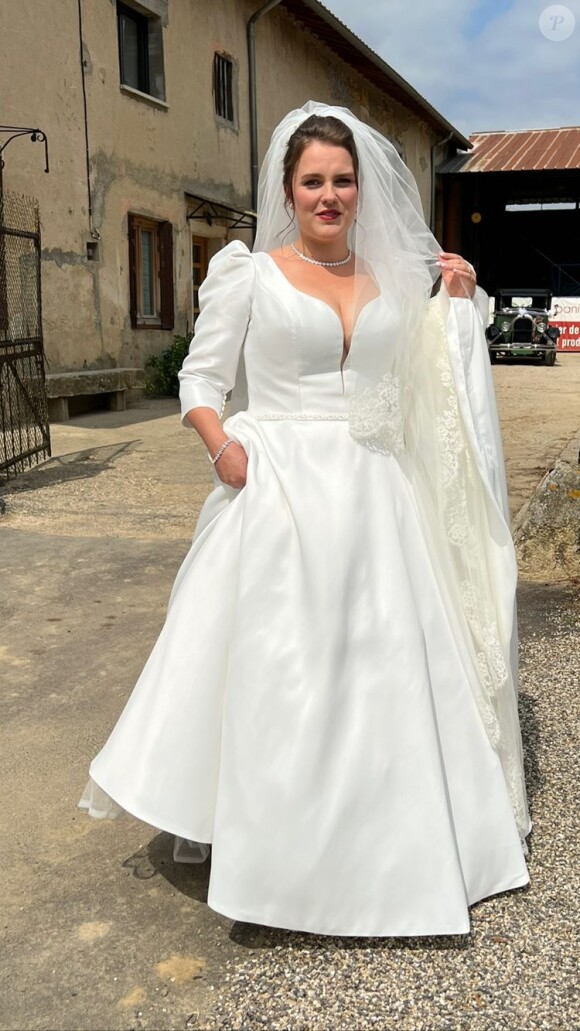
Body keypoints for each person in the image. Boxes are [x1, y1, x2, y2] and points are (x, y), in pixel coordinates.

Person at [80, 102, 530, 938]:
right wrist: (224, 451)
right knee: (285, 675)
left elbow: (426, 369)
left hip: (376, 495)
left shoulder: (394, 278)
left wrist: (457, 302)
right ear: (289, 190)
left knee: (381, 670)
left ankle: (388, 846)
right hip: (279, 488)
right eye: (314, 181)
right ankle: (281, 855)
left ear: (361, 189)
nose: (330, 195)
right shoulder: (250, 274)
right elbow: (199, 383)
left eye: (343, 180)